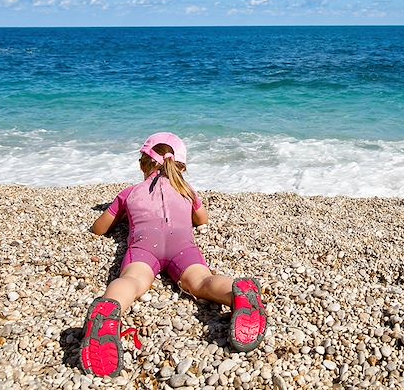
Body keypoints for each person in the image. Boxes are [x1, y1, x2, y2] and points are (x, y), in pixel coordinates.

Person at [80, 132, 267, 378]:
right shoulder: (187, 191)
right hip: (183, 249)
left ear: (142, 164)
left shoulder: (131, 192)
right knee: (202, 282)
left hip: (144, 248)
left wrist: (122, 213)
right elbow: (202, 220)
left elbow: (99, 229)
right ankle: (236, 290)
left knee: (133, 281)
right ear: (180, 166)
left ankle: (109, 307)